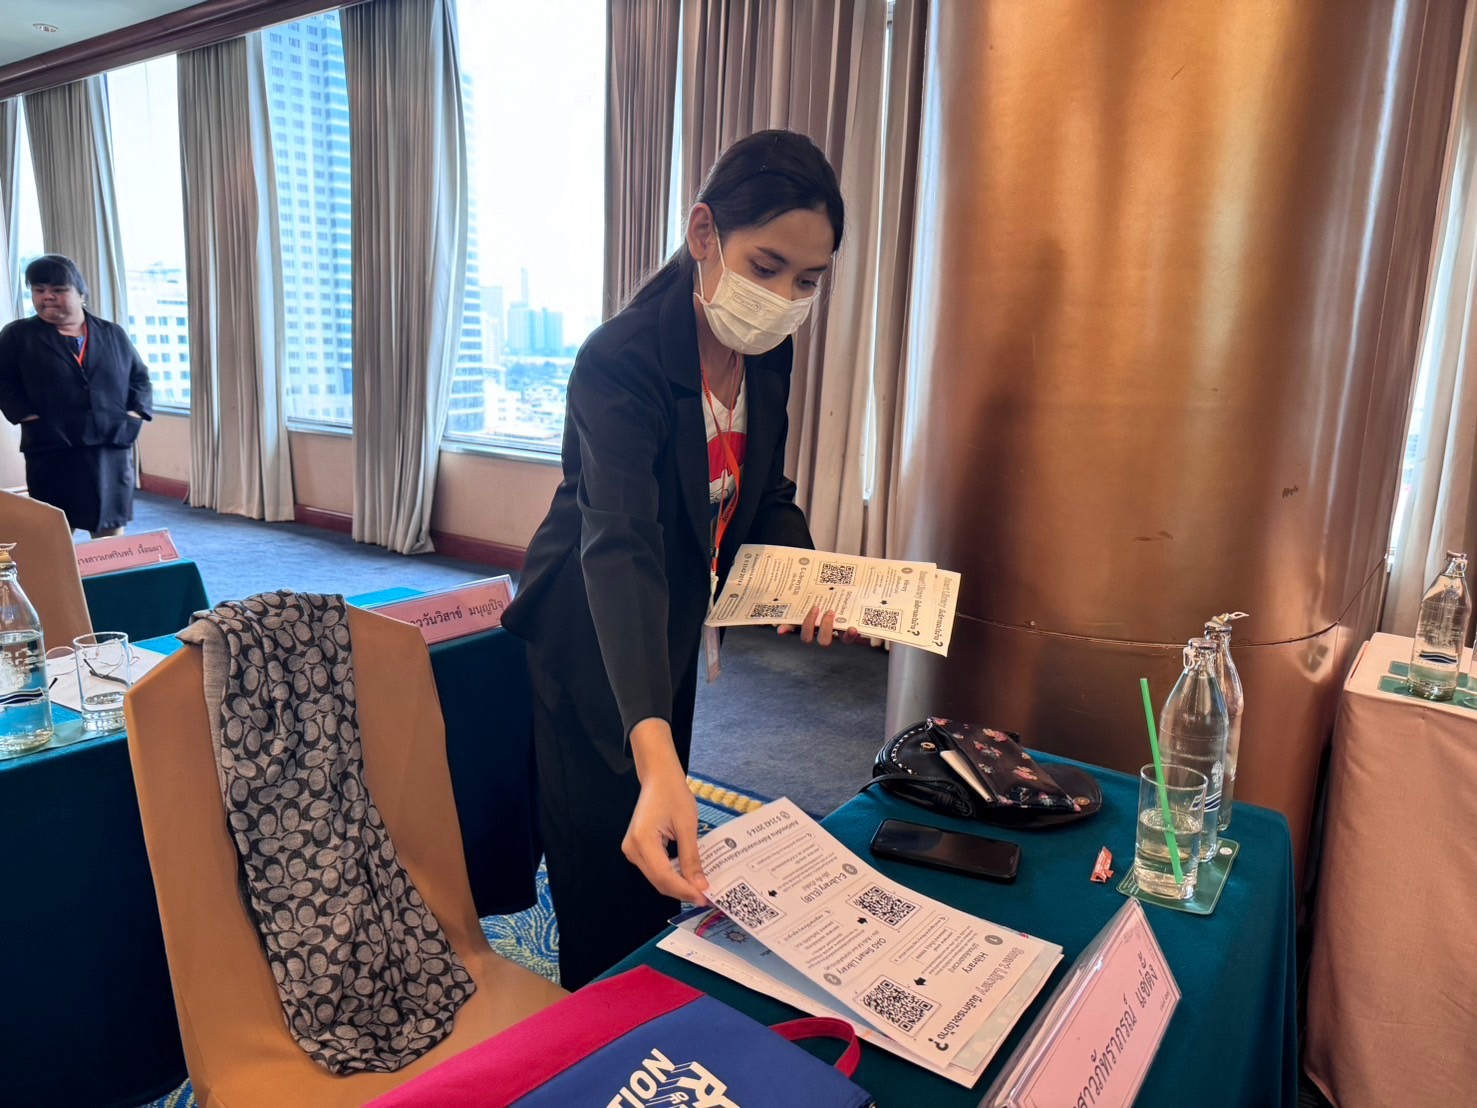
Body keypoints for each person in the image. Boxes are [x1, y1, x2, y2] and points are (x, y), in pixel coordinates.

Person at [503, 129, 851, 989]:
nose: (783, 299)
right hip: (589, 625)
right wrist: (652, 751)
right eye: (766, 267)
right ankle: (595, 1014)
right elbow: (618, 544)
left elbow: (763, 491)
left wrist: (804, 573)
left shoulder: (767, 355)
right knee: (603, 850)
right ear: (704, 234)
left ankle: (646, 991)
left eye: (807, 281)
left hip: (673, 617)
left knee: (662, 827)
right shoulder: (618, 359)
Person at [0, 255, 152, 538]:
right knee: (54, 530)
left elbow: (140, 379)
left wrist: (134, 416)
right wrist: (27, 416)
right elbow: (3, 382)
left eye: (58, 290)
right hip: (53, 447)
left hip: (109, 446)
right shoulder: (18, 336)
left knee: (109, 531)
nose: (47, 297)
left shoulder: (112, 334)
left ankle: (107, 568)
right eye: (39, 290)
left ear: (81, 294)